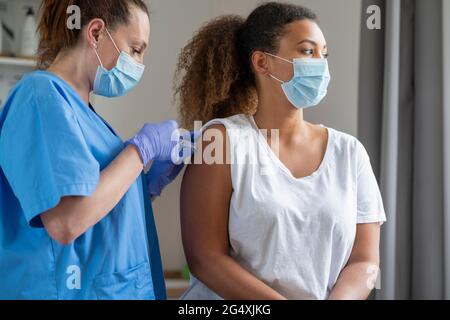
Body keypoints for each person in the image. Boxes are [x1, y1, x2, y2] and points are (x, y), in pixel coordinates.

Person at [176, 2, 386, 300]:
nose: (320, 63)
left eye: (324, 54)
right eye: (307, 51)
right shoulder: (222, 141)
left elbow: (364, 261)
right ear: (262, 62)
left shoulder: (349, 153)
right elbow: (205, 259)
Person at [0, 0, 189, 299]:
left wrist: (144, 188)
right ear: (97, 33)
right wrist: (141, 150)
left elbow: (95, 214)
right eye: (136, 49)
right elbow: (66, 222)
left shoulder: (86, 114)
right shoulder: (40, 97)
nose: (139, 65)